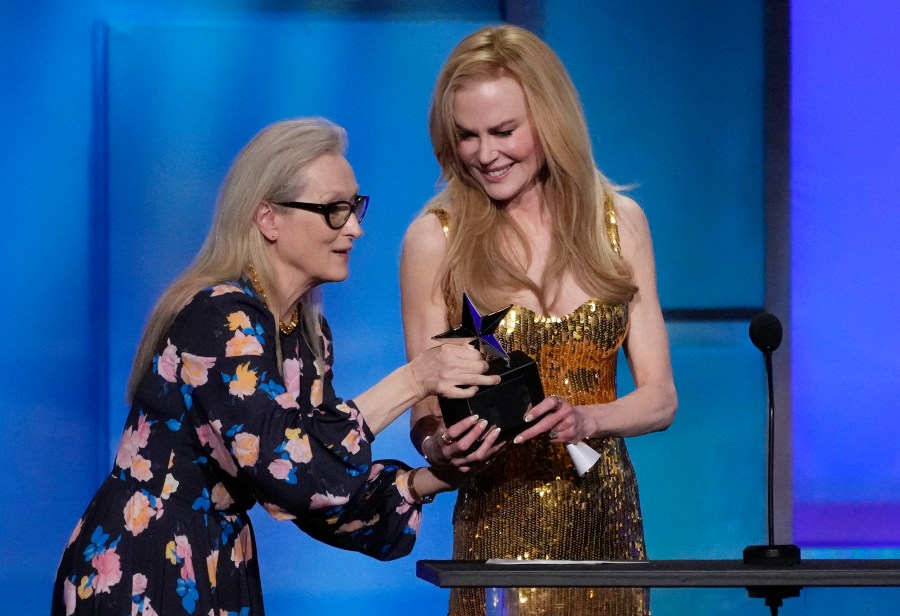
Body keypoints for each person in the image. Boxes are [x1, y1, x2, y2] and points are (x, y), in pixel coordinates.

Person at [52, 117, 502, 616]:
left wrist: (436, 476)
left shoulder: (305, 335)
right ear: (268, 218)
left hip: (220, 558)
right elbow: (287, 462)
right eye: (334, 210)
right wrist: (416, 377)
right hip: (146, 561)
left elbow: (316, 489)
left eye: (354, 207)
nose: (355, 226)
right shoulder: (220, 316)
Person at [400, 25, 677, 615]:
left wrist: (587, 419)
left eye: (503, 131)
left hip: (606, 526)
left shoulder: (620, 224)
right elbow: (424, 411)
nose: (485, 153)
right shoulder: (434, 240)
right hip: (497, 529)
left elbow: (660, 399)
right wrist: (441, 447)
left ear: (550, 120)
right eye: (467, 135)